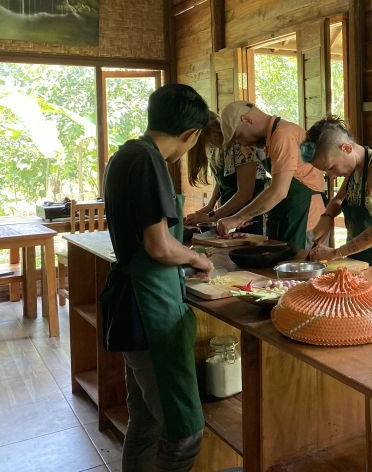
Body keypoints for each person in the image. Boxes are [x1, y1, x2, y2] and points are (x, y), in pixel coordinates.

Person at [100, 84, 214, 472]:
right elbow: (159, 246)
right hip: (150, 311)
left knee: (146, 421)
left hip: (135, 304)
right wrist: (197, 258)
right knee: (183, 433)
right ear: (190, 134)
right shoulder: (148, 162)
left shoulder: (124, 155)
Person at [302, 115, 372, 273]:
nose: (331, 175)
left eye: (331, 167)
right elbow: (338, 199)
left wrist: (335, 253)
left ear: (346, 148)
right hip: (356, 261)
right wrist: (326, 218)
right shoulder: (355, 169)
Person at [216, 101, 325, 249]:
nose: (242, 143)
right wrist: (249, 214)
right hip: (288, 215)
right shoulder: (271, 138)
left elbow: (279, 191)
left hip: (305, 221)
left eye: (238, 136)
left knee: (298, 269)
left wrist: (238, 218)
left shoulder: (283, 135)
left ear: (246, 120)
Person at [184, 110, 267, 235]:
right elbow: (222, 180)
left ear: (212, 132)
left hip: (251, 214)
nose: (208, 144)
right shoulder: (213, 147)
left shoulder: (239, 144)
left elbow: (245, 194)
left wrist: (211, 217)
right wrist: (209, 207)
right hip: (229, 212)